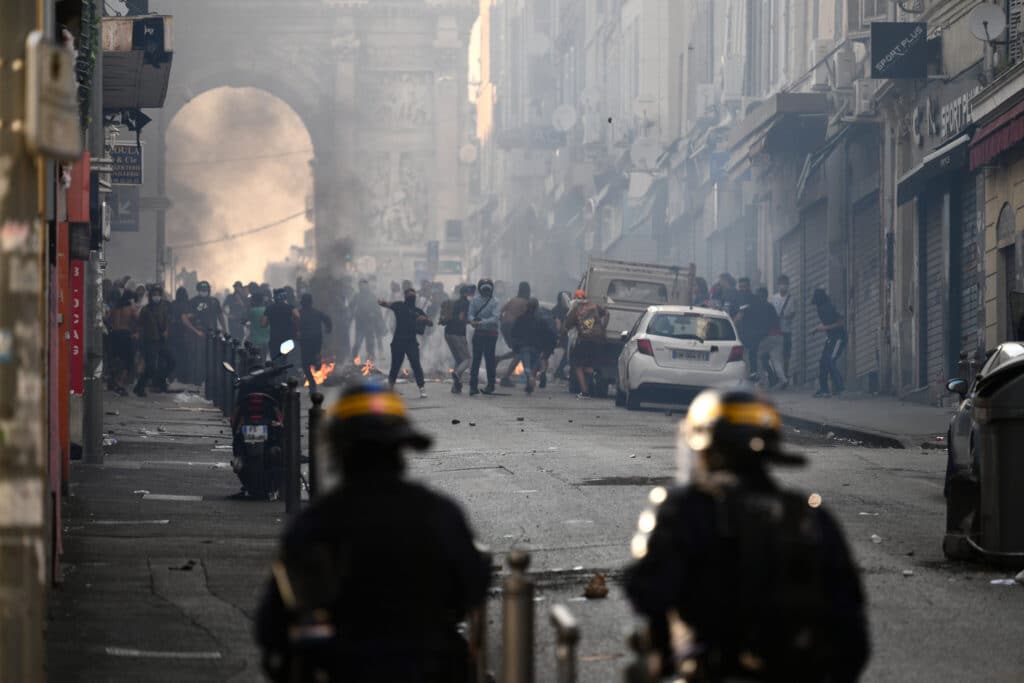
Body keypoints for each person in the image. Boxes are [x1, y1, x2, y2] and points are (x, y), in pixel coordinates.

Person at [624, 388, 869, 682]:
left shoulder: (687, 510)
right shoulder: (810, 517)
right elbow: (852, 636)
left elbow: (646, 591)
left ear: (704, 448)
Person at [255, 382, 491, 682]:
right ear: (401, 449)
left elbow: (273, 624)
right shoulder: (439, 514)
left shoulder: (317, 523)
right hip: (431, 667)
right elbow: (471, 587)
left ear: (339, 450)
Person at [379, 287, 432, 398]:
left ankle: (422, 388)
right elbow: (387, 304)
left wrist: (424, 320)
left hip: (411, 342)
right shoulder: (400, 306)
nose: (411, 297)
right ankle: (390, 387)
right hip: (398, 341)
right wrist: (382, 302)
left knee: (416, 364)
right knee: (395, 365)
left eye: (413, 296)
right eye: (409, 295)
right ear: (405, 296)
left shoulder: (418, 311)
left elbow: (430, 323)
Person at [563, 289, 608, 398]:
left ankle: (585, 391)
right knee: (588, 365)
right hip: (598, 341)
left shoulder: (576, 309)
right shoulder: (595, 306)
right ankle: (594, 374)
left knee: (578, 366)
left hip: (584, 341)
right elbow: (606, 314)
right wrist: (603, 327)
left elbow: (567, 325)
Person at [134, 285, 174, 396]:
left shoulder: (163, 308)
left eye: (158, 295)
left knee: (172, 361)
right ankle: (139, 387)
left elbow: (166, 322)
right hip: (149, 341)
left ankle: (160, 381)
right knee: (151, 366)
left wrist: (166, 331)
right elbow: (140, 325)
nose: (156, 297)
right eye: (154, 295)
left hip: (161, 341)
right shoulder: (146, 310)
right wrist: (138, 334)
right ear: (150, 296)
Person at [510, 298, 556, 394]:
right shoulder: (541, 320)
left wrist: (516, 346)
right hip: (537, 348)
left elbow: (513, 333)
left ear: (527, 307)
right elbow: (549, 334)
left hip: (524, 347)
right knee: (534, 366)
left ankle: (530, 380)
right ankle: (531, 381)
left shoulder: (520, 319)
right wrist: (548, 347)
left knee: (527, 366)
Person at [745, 287, 788, 389]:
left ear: (759, 296)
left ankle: (762, 380)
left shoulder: (759, 307)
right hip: (779, 336)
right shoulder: (770, 306)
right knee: (776, 360)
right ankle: (783, 380)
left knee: (757, 355)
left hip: (769, 337)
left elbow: (762, 325)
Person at [468, 279, 501, 396]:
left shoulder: (496, 302)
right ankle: (473, 386)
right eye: (484, 289)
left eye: (488, 289)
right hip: (479, 334)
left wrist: (479, 323)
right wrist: (472, 321)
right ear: (480, 289)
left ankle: (490, 385)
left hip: (490, 334)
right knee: (476, 360)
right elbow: (470, 314)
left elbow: (495, 318)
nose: (486, 291)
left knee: (489, 360)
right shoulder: (475, 301)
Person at [812, 288, 846, 398]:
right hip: (831, 338)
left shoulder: (829, 307)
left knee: (830, 360)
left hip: (838, 338)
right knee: (823, 362)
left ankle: (840, 387)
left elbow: (841, 323)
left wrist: (823, 328)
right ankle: (824, 389)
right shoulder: (822, 308)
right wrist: (817, 329)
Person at [498, 281, 531, 387]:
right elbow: (526, 317)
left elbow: (500, 311)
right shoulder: (525, 302)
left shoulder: (513, 300)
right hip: (514, 328)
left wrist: (502, 321)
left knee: (517, 350)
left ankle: (499, 359)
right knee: (519, 353)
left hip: (504, 326)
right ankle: (506, 377)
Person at [298, 293, 333, 390]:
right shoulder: (317, 313)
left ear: (302, 303)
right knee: (315, 358)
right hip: (316, 340)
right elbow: (327, 319)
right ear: (311, 303)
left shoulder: (299, 313)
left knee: (305, 364)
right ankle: (317, 362)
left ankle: (312, 382)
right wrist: (328, 329)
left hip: (305, 341)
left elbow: (292, 325)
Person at [444, 284, 474, 394]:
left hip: (448, 332)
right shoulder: (465, 303)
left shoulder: (456, 302)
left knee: (459, 360)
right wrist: (471, 322)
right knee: (467, 359)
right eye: (470, 292)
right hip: (457, 333)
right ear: (466, 293)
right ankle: (456, 374)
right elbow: (461, 318)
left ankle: (455, 387)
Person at [107, 290, 138, 396]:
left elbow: (108, 320)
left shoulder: (115, 308)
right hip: (125, 334)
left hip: (114, 334)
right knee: (128, 360)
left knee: (116, 359)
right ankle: (120, 383)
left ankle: (113, 380)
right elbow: (138, 319)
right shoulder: (130, 308)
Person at [169, 286, 201, 384]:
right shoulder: (185, 304)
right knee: (184, 357)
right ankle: (183, 378)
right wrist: (196, 331)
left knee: (174, 356)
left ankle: (173, 377)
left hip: (172, 334)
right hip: (183, 334)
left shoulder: (173, 304)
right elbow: (184, 319)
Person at [771, 275, 796, 379]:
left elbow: (793, 313)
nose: (783, 286)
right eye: (781, 283)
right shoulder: (774, 298)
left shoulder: (791, 298)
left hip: (786, 331)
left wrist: (785, 317)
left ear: (788, 285)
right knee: (776, 355)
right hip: (775, 331)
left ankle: (785, 374)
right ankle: (778, 376)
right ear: (778, 285)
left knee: (786, 354)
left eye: (785, 283)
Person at [264, 288, 299, 359]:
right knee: (287, 360)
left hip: (274, 339)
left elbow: (263, 324)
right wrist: (297, 329)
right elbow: (298, 317)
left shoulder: (269, 308)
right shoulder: (290, 307)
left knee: (276, 360)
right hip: (287, 339)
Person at [352, 279, 381, 360]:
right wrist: (352, 315)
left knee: (370, 342)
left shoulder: (372, 296)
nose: (362, 286)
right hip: (360, 323)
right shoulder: (357, 296)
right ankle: (353, 357)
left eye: (363, 285)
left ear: (367, 286)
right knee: (358, 341)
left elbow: (377, 309)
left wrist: (374, 315)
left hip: (369, 323)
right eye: (360, 285)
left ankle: (371, 359)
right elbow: (351, 307)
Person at [246, 290, 270, 360]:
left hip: (255, 341)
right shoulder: (267, 309)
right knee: (265, 359)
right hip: (267, 340)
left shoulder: (252, 311)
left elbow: (244, 319)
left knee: (256, 360)